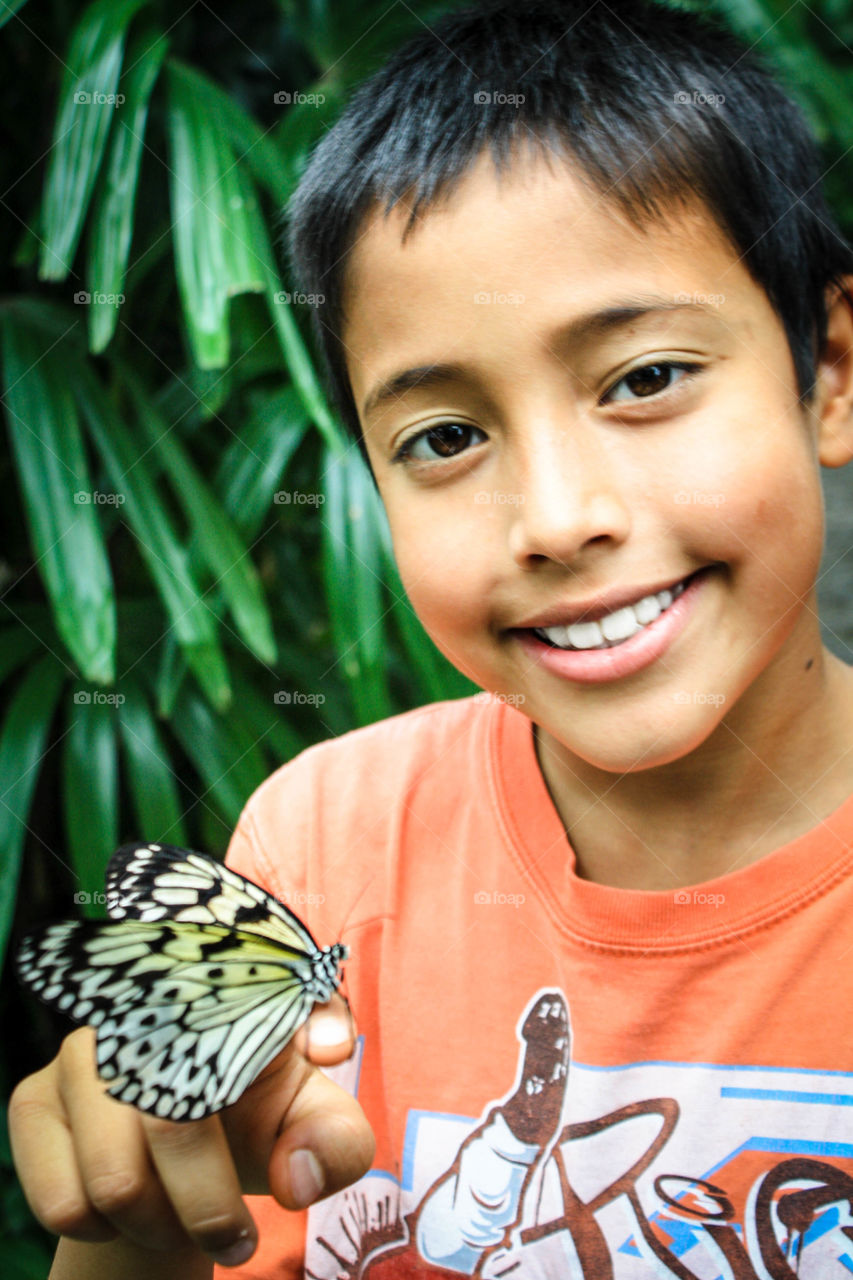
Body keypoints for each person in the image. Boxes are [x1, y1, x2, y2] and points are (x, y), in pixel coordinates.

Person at [10, 0, 853, 1275]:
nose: (560, 520)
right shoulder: (322, 834)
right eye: (444, 437)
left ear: (829, 368)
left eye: (644, 378)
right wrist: (141, 1217)